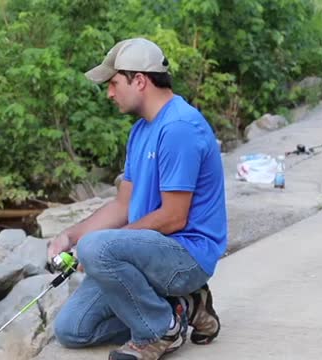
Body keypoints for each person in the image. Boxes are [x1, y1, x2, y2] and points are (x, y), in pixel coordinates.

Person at [47, 38, 227, 360]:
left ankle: (159, 330)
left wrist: (98, 247)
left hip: (186, 254)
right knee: (72, 329)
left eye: (114, 83)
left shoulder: (179, 128)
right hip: (149, 254)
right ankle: (184, 307)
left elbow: (174, 218)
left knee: (96, 247)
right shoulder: (141, 131)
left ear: (140, 80)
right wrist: (71, 236)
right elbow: (123, 206)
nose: (110, 93)